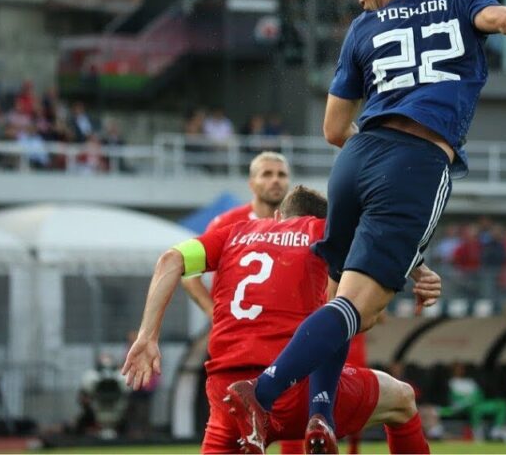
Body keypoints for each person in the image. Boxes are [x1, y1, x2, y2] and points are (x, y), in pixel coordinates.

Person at [224, 0, 506, 454]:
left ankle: (320, 418)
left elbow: (334, 130)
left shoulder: (363, 29)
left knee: (343, 297)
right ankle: (263, 393)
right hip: (418, 159)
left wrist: (374, 152)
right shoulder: (461, 5)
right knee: (361, 306)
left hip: (356, 161)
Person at [121, 186, 437, 454]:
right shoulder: (321, 233)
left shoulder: (233, 233)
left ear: (277, 217)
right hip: (292, 386)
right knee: (402, 399)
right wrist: (419, 272)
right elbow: (375, 261)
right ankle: (320, 417)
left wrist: (147, 336)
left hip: (227, 394)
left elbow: (169, 260)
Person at [181, 151, 291, 317]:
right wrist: (214, 315)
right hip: (235, 331)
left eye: (281, 175)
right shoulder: (226, 223)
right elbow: (190, 274)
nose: (275, 180)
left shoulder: (298, 225)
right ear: (252, 183)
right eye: (267, 174)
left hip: (283, 330)